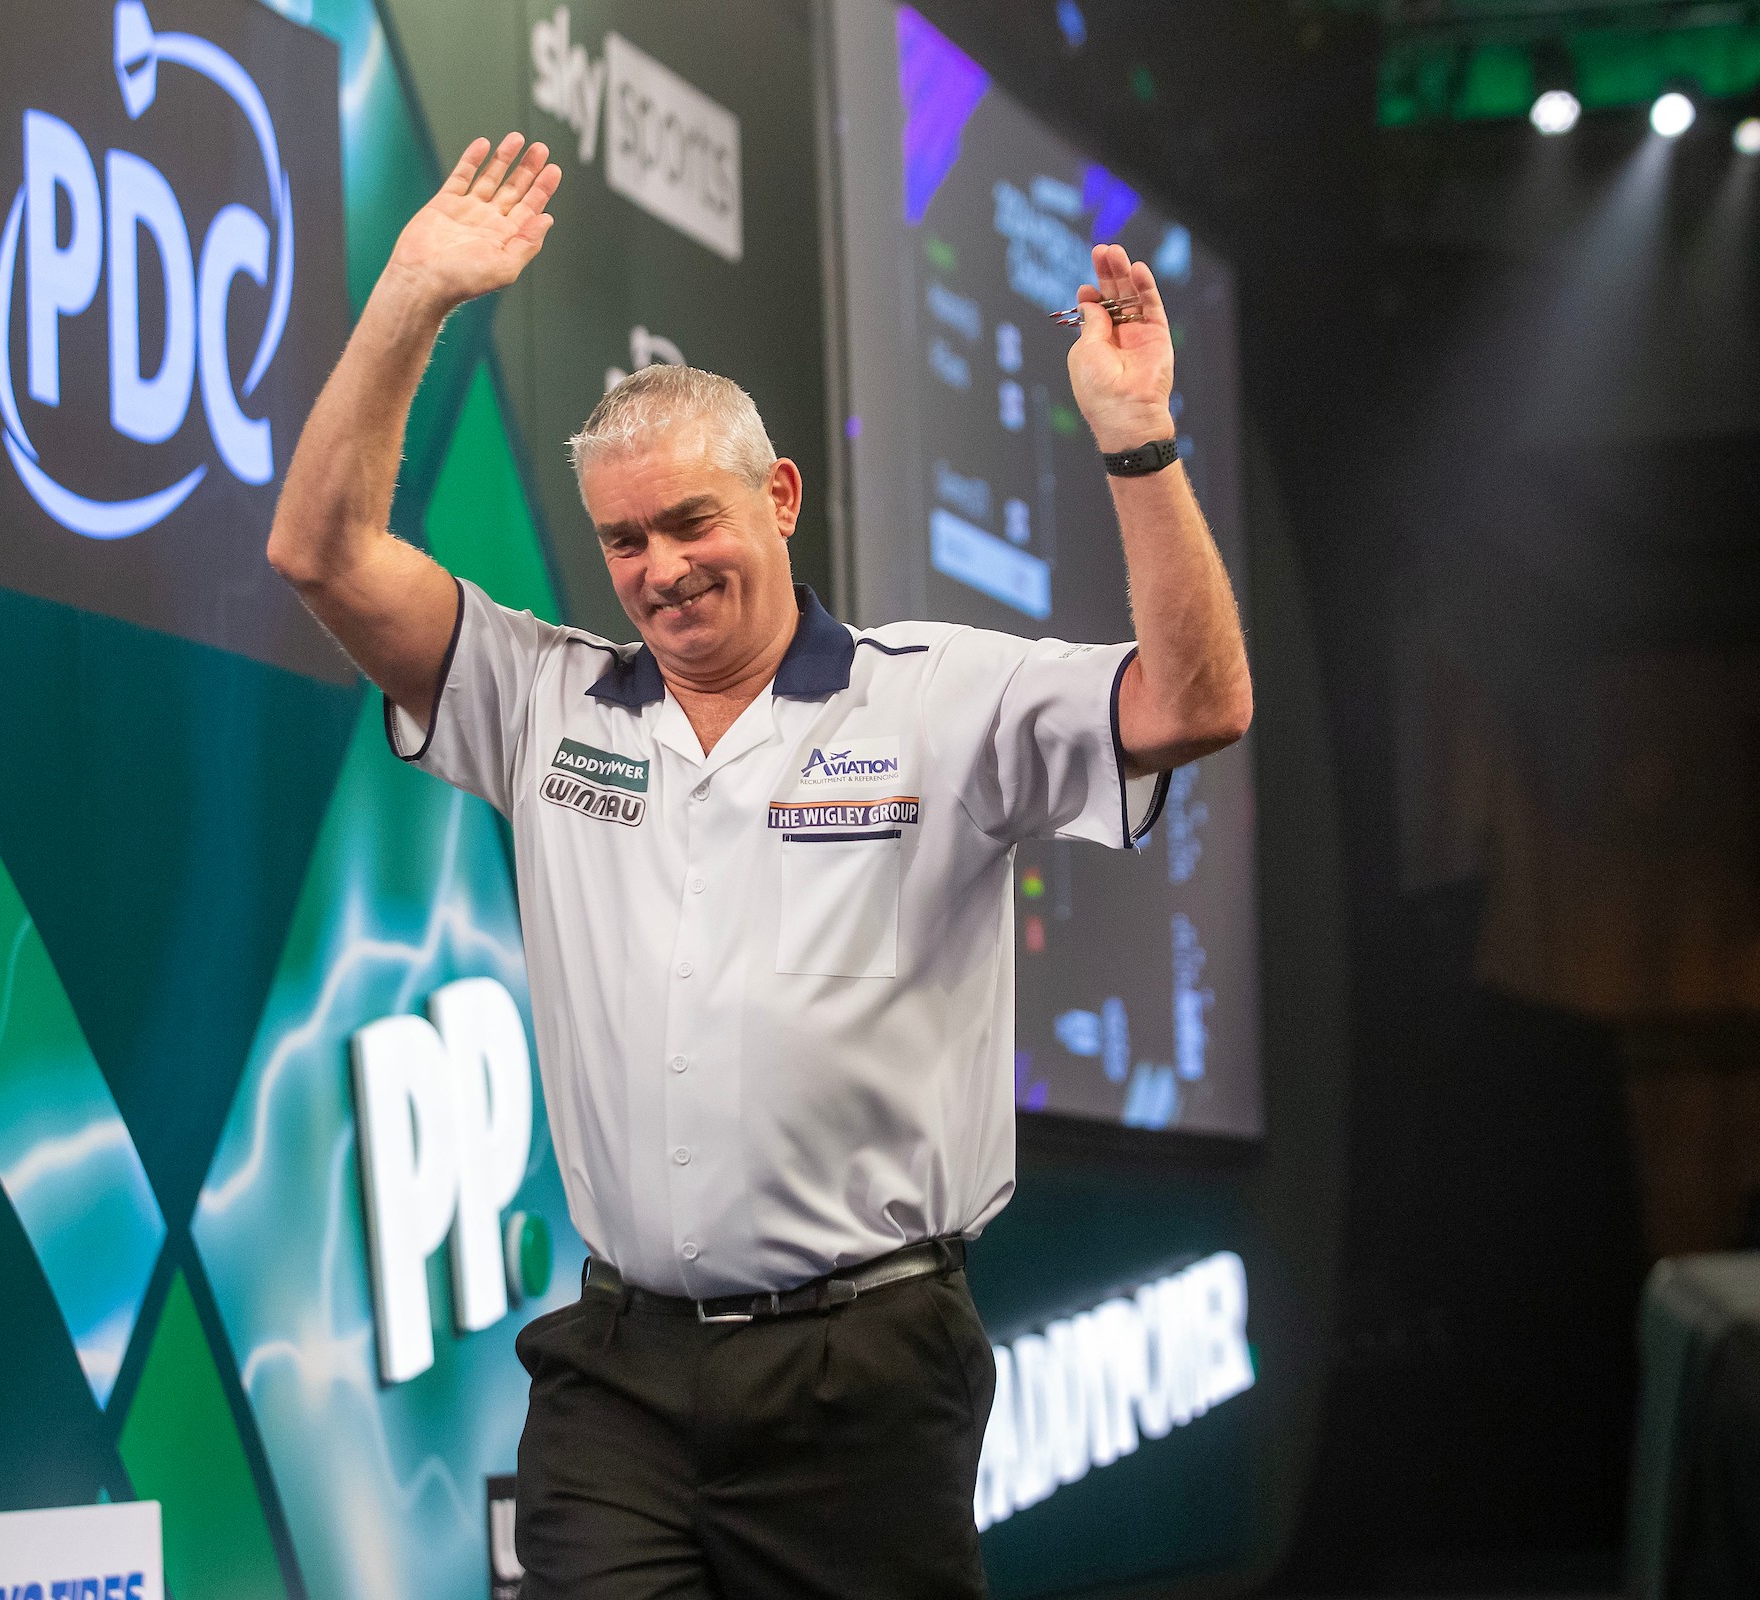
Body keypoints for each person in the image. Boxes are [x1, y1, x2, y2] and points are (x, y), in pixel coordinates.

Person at [267, 132, 1251, 1600]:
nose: (660, 568)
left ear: (780, 498)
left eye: (691, 522)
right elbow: (322, 554)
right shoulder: (541, 701)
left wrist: (1138, 441)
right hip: (620, 1369)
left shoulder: (941, 697)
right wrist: (411, 294)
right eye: (624, 541)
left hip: (864, 1373)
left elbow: (1197, 703)